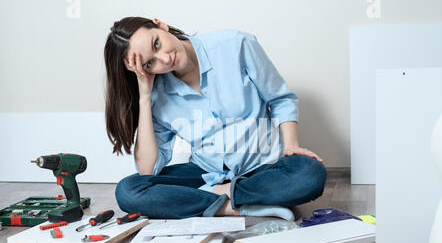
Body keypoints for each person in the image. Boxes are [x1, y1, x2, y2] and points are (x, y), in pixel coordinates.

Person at [104, 17, 327, 220]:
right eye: (149, 64)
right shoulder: (156, 93)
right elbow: (147, 170)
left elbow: (280, 99)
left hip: (263, 168)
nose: (164, 58)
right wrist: (144, 97)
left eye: (157, 44)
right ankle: (231, 206)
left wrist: (291, 146)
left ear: (160, 25)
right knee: (128, 191)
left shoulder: (236, 44)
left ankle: (215, 198)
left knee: (310, 174)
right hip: (207, 173)